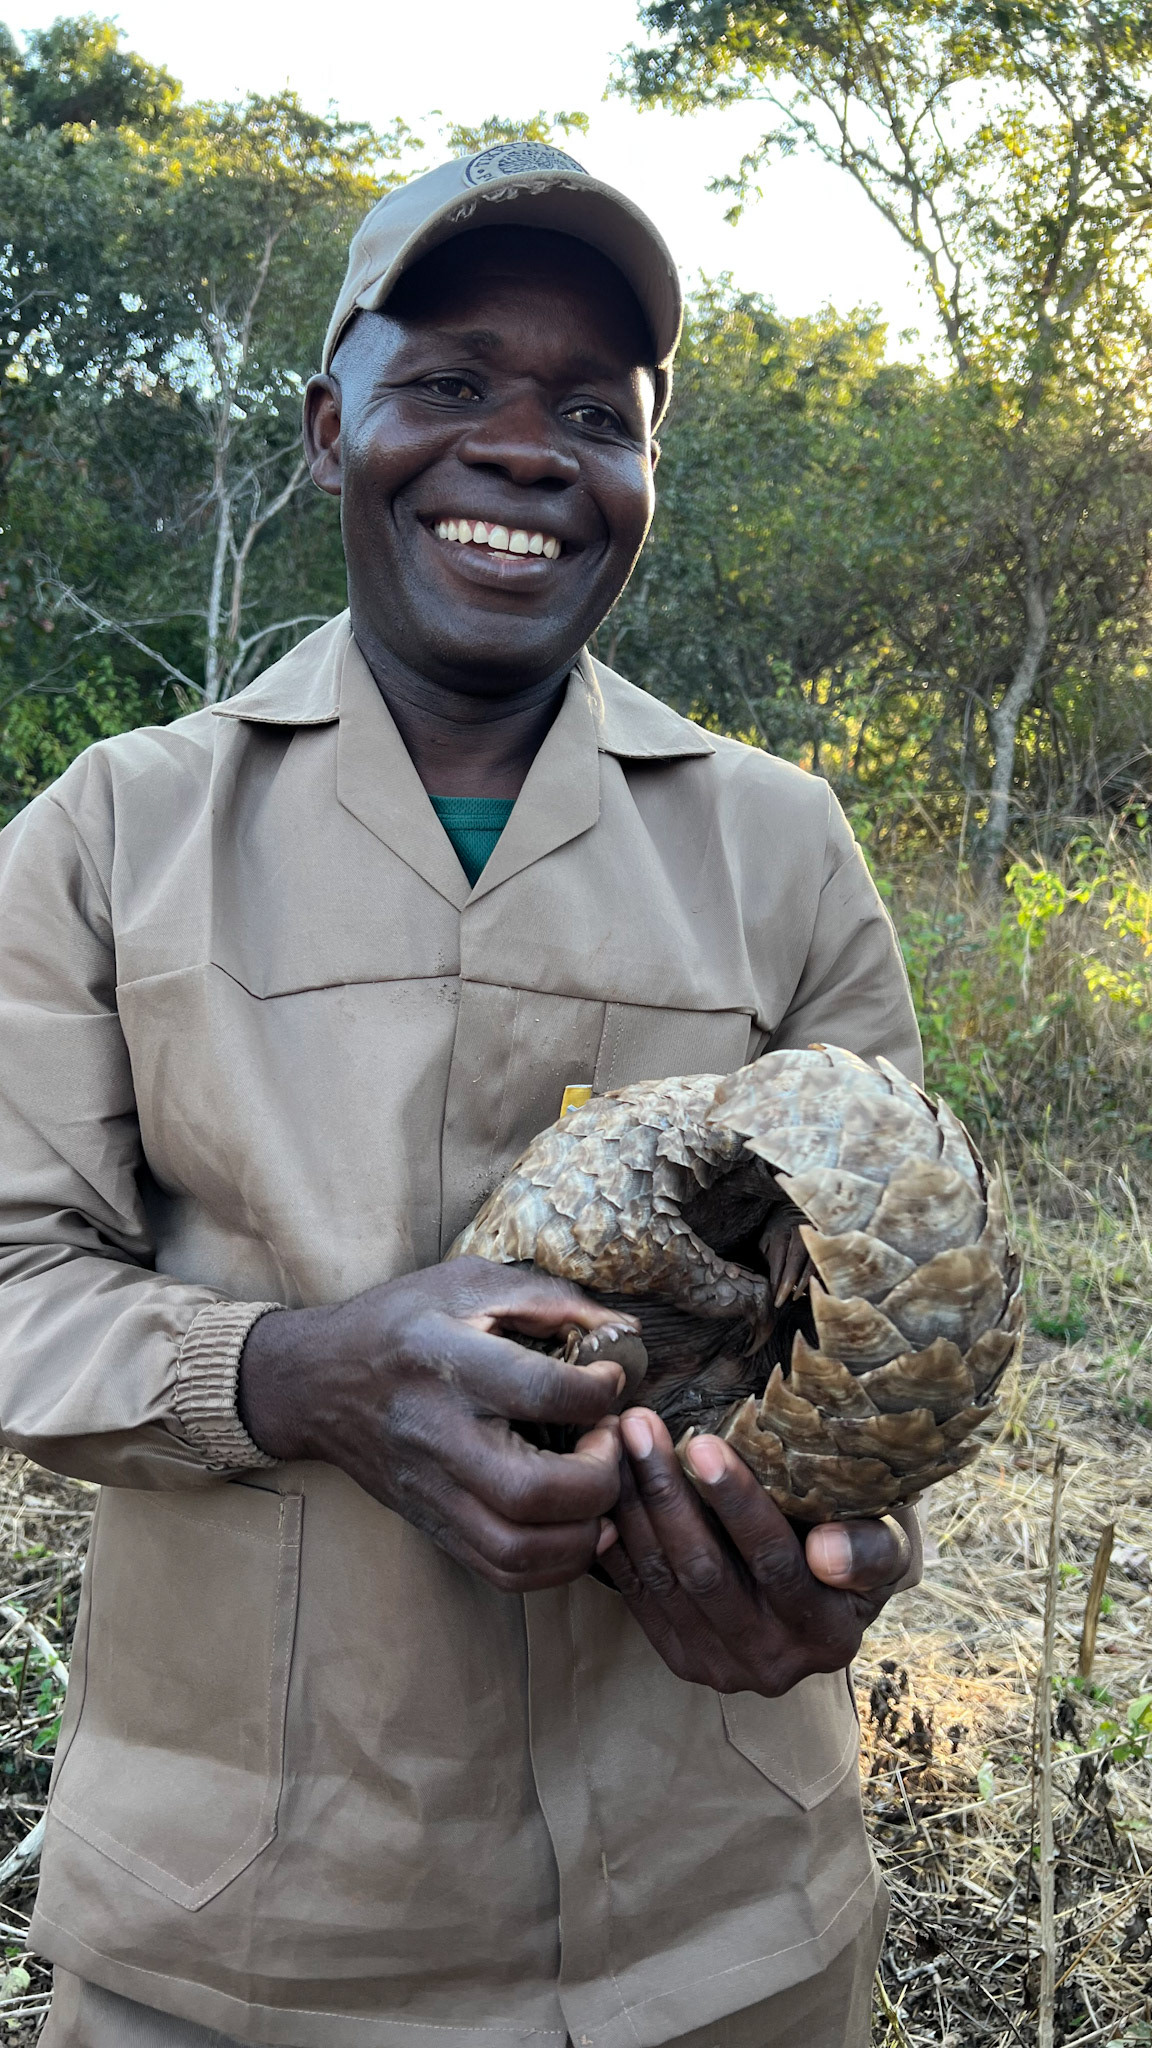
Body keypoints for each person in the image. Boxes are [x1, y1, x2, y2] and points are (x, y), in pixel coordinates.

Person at [0, 145, 923, 2048]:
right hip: (240, 1940)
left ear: (648, 475)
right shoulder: (114, 833)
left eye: (596, 412)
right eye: (449, 382)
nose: (523, 448)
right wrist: (297, 1374)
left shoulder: (780, 846)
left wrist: (844, 1547)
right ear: (330, 426)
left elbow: (894, 1306)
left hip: (722, 1926)